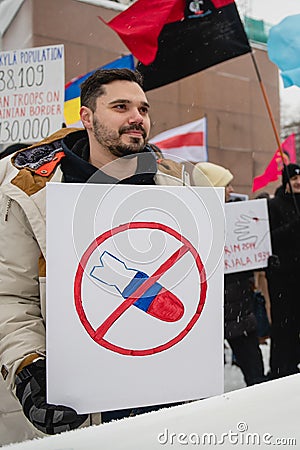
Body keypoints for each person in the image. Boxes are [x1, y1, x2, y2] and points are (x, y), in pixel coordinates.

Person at [0, 69, 191, 445]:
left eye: (143, 108)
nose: (137, 117)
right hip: (76, 407)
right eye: (121, 106)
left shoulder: (177, 186)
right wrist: (30, 370)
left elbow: (189, 287)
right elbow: (10, 296)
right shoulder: (28, 187)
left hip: (157, 398)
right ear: (87, 118)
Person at [193, 162, 266, 386]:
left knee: (254, 371)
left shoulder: (237, 217)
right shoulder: (195, 221)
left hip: (238, 311)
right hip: (216, 311)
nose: (232, 190)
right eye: (226, 185)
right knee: (205, 378)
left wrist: (261, 256)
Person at [266, 163, 300, 379]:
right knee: (283, 322)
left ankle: (294, 360)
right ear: (286, 182)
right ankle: (280, 366)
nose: (298, 183)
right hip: (282, 275)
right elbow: (269, 237)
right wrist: (294, 225)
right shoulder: (274, 205)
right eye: (294, 179)